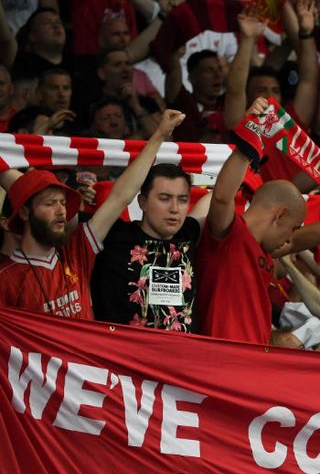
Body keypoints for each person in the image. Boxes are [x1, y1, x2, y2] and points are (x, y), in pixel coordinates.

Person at [0, 109, 187, 318]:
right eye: (50, 203)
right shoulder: (6, 280)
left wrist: (160, 135)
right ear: (24, 213)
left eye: (63, 202)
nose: (61, 210)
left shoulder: (76, 251)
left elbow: (120, 197)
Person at [194, 98, 307, 344]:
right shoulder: (231, 233)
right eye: (292, 229)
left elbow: (309, 238)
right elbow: (223, 197)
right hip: (221, 361)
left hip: (254, 362)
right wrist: (252, 132)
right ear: (280, 215)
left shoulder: (265, 253)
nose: (290, 239)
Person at [90, 159, 212, 331]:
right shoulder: (112, 235)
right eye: (164, 198)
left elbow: (218, 198)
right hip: (122, 355)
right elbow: (118, 198)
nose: (175, 208)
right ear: (142, 202)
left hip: (181, 354)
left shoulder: (188, 233)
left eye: (183, 200)